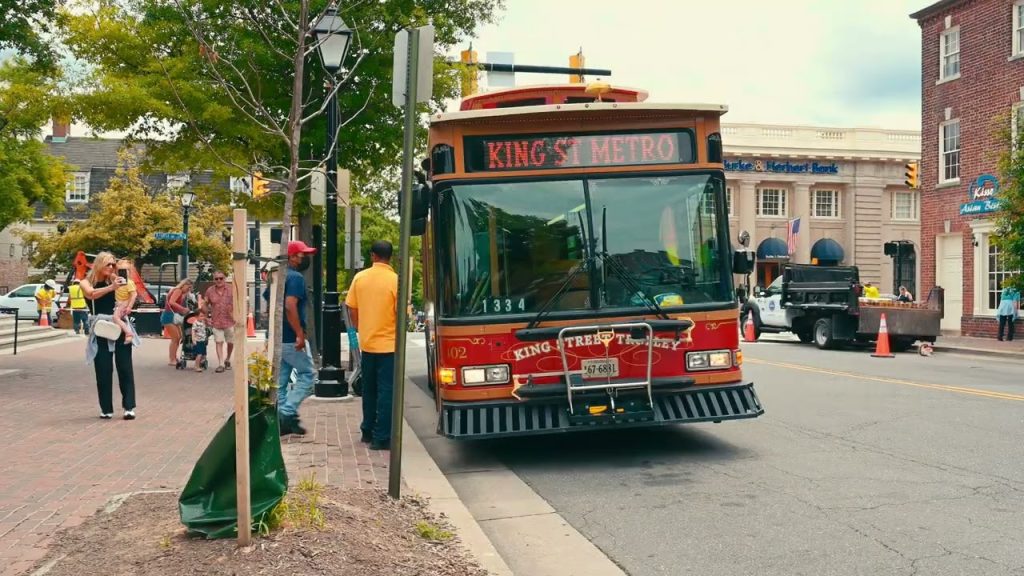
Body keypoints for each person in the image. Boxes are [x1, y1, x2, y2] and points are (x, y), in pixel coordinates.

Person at [345, 240, 398, 451]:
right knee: (386, 390)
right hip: (389, 345)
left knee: (368, 389)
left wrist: (361, 327)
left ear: (373, 255)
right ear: (390, 257)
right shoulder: (395, 280)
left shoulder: (360, 278)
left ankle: (367, 430)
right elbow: (400, 313)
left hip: (367, 343)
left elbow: (351, 308)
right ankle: (381, 436)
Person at [80, 252, 137, 420]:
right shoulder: (85, 282)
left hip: (118, 325)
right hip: (101, 328)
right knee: (103, 370)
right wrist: (111, 288)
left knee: (125, 367)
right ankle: (106, 408)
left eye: (114, 264)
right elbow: (91, 294)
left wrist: (126, 305)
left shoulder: (116, 279)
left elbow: (129, 293)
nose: (112, 267)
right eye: (108, 264)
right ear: (99, 264)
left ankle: (129, 407)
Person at [278, 241, 318, 436]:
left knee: (281, 380)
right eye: (302, 255)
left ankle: (283, 418)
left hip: (278, 336)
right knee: (309, 376)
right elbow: (290, 305)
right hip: (291, 337)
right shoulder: (295, 278)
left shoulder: (277, 276)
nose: (305, 258)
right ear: (292, 256)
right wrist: (299, 334)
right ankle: (286, 413)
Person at [204, 270, 235, 373]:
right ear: (214, 280)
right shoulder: (210, 290)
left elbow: (239, 303)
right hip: (216, 321)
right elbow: (205, 304)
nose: (219, 280)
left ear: (224, 278)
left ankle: (228, 359)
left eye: (221, 278)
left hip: (230, 321)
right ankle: (221, 364)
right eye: (216, 279)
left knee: (230, 342)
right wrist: (205, 317)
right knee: (219, 342)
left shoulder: (231, 289)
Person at [161, 279, 193, 366]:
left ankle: (174, 357)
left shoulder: (178, 291)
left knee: (178, 337)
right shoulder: (178, 290)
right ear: (184, 285)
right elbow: (172, 302)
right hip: (169, 316)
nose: (188, 289)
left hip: (171, 315)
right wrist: (183, 309)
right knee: (175, 338)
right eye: (188, 287)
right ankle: (172, 359)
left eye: (190, 288)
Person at [112, 259, 138, 344]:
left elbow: (134, 294)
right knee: (121, 319)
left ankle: (128, 333)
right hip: (118, 303)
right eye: (120, 270)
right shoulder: (117, 280)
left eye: (125, 270)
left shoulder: (129, 283)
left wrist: (129, 306)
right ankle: (125, 333)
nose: (123, 272)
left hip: (123, 302)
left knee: (116, 318)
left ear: (129, 272)